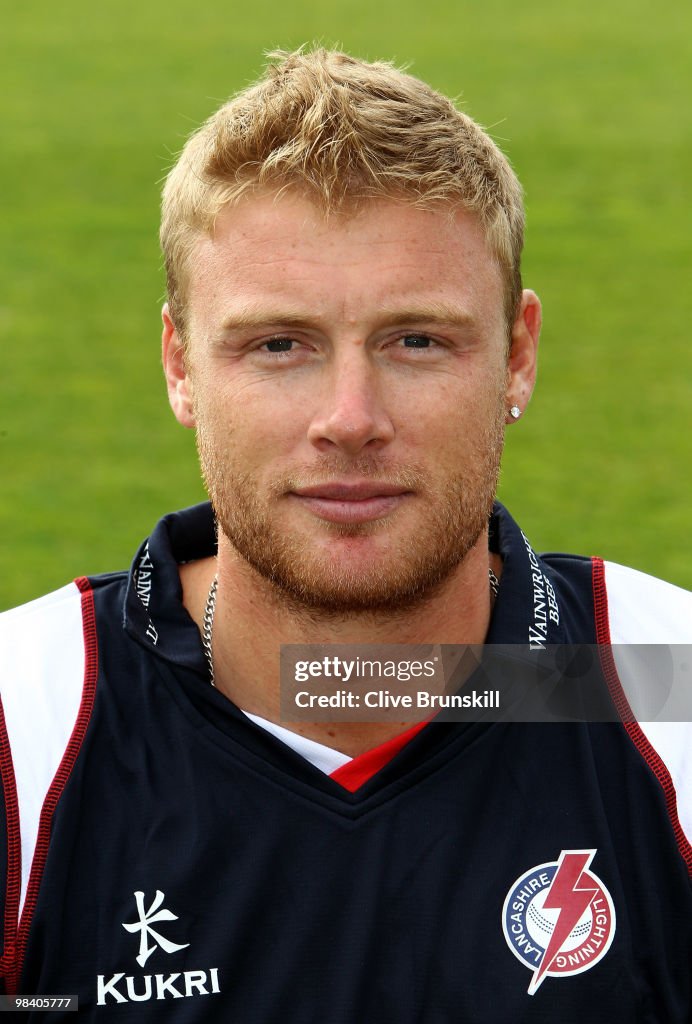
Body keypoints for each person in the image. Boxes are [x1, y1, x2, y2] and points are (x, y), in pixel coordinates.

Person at [0, 47, 690, 1022]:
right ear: (180, 365)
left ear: (517, 355)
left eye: (416, 340)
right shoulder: (20, 728)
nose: (350, 417)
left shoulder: (672, 687)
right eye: (279, 345)